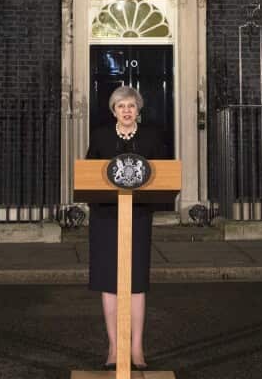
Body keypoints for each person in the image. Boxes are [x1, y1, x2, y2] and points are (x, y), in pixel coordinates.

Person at [85, 84, 164, 371]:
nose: (126, 110)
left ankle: (137, 348)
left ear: (138, 109)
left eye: (131, 105)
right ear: (113, 110)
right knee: (109, 282)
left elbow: (163, 174)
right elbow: (89, 176)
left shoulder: (152, 137)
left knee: (136, 283)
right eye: (121, 106)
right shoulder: (101, 137)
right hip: (107, 218)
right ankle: (114, 348)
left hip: (138, 217)